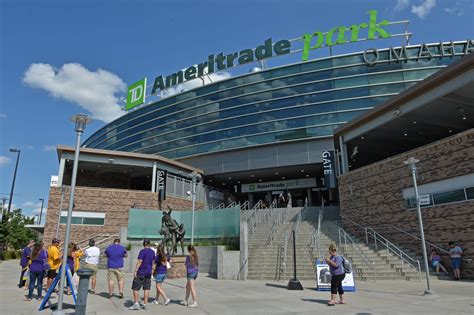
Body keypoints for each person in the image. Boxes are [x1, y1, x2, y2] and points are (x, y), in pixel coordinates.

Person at [129, 239, 155, 310]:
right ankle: (145, 304)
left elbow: (140, 261)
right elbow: (153, 262)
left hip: (141, 272)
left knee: (135, 288)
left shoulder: (142, 251)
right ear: (149, 244)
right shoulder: (152, 252)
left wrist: (135, 270)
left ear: (144, 244)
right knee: (146, 288)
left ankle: (136, 304)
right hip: (148, 273)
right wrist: (152, 271)